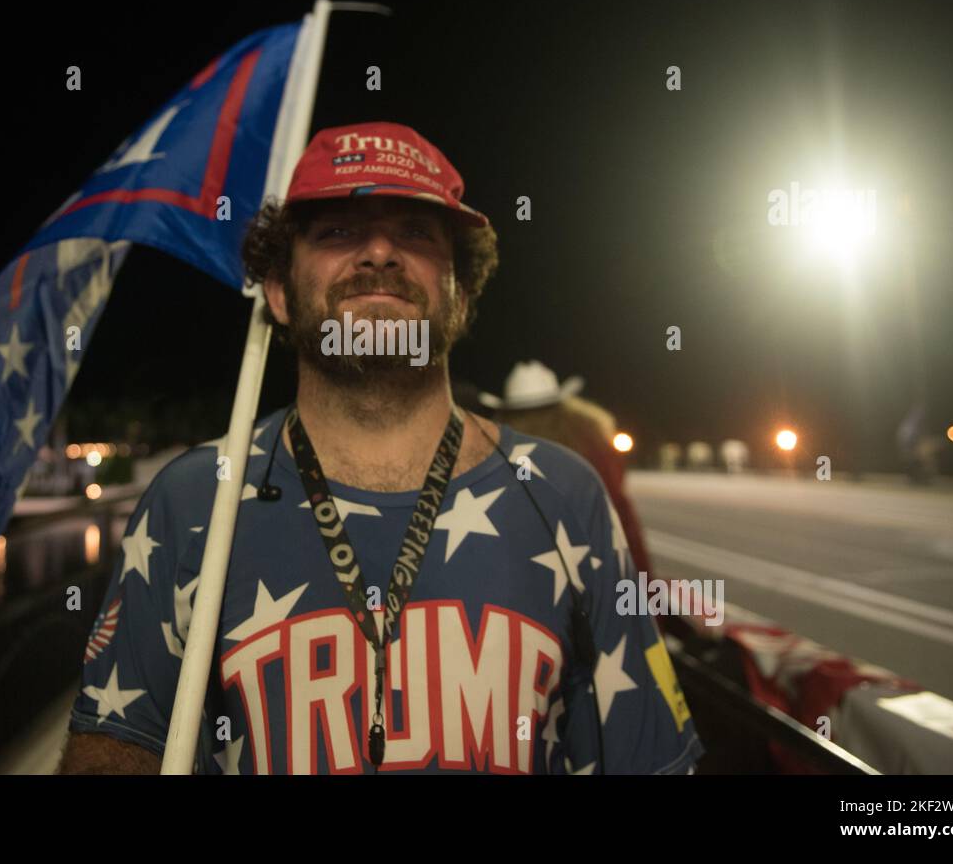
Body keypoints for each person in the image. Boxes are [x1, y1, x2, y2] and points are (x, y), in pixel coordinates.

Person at [58, 121, 703, 775]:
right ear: (279, 292)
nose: (379, 253)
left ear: (462, 292)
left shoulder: (564, 496)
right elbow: (112, 750)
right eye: (338, 230)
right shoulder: (196, 499)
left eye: (416, 233)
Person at [480, 361, 657, 584]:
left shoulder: (500, 450)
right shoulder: (591, 440)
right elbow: (618, 506)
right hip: (597, 558)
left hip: (529, 574)